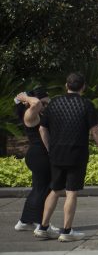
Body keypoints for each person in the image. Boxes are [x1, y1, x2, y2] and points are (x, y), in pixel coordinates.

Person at [36, 72, 98, 242]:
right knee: (71, 192)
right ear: (83, 87)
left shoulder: (54, 104)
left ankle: (43, 227)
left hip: (57, 153)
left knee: (55, 189)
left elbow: (42, 129)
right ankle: (67, 232)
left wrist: (49, 147)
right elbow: (95, 130)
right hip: (77, 153)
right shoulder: (86, 105)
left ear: (66, 85)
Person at [13, 87, 53, 234]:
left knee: (39, 189)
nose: (45, 106)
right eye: (44, 103)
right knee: (44, 190)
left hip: (40, 156)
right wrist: (24, 97)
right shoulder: (30, 113)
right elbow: (35, 103)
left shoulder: (40, 112)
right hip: (39, 156)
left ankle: (24, 221)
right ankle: (40, 223)